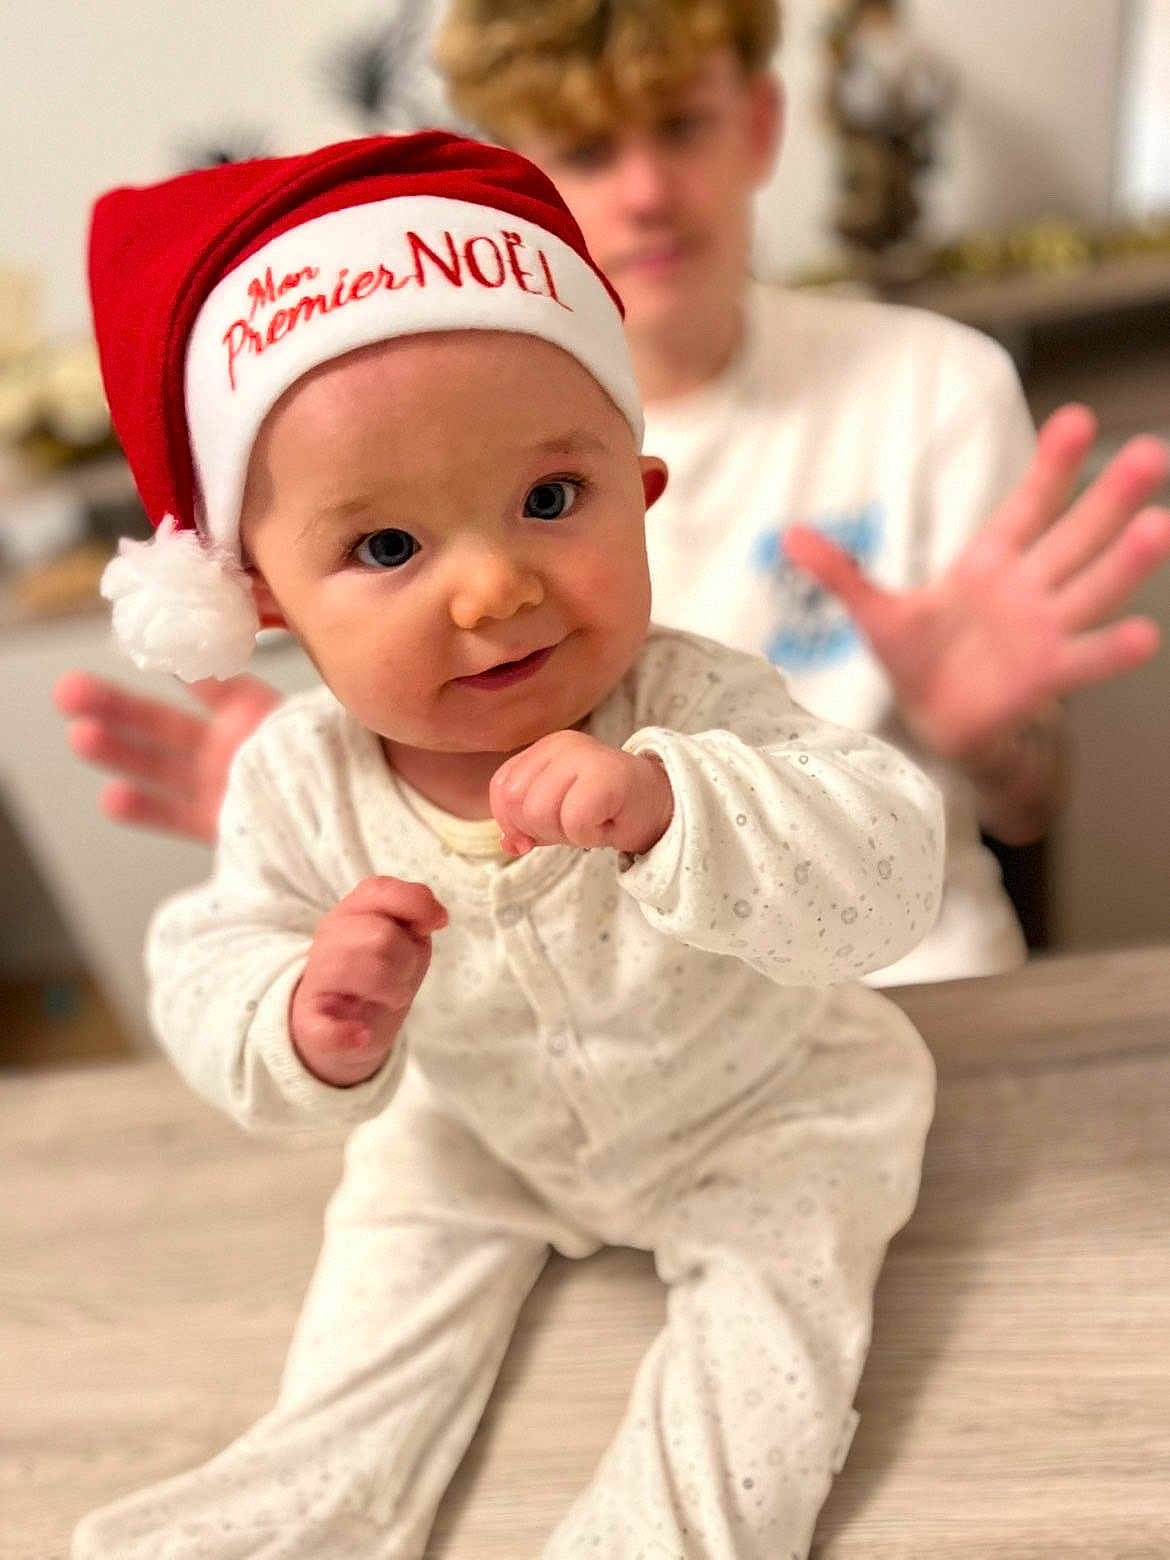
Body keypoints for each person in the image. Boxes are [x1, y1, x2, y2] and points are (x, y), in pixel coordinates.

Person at [73, 131, 945, 1558]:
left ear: (638, 486)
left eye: (551, 501)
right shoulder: (299, 779)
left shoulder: (693, 701)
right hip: (468, 1141)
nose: (493, 588)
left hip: (765, 1107)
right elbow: (207, 958)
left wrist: (678, 807)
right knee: (347, 1386)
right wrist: (305, 1017)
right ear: (267, 602)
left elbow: (886, 869)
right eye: (387, 548)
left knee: (760, 1365)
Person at [57, 0, 1170, 987]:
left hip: (907, 977)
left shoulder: (936, 386)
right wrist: (344, 835)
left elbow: (1022, 811)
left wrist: (985, 739)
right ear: (522, 174)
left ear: (761, 124)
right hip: (595, 1053)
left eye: (680, 125)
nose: (644, 193)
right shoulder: (374, 463)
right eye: (588, 150)